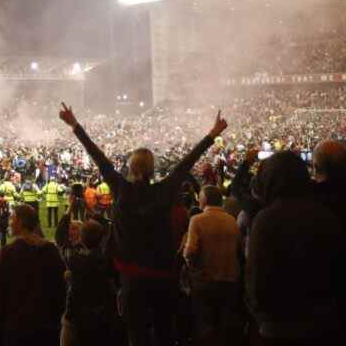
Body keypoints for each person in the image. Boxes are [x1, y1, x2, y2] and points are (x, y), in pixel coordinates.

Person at [60, 103, 227, 346]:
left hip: (131, 278)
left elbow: (98, 157)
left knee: (136, 336)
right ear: (151, 168)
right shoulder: (165, 190)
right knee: (163, 334)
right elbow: (187, 163)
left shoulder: (121, 189)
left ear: (130, 167)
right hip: (163, 275)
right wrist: (213, 134)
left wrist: (75, 124)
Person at [246, 150, 345, 344]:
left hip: (278, 328)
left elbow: (256, 281)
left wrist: (261, 321)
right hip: (325, 325)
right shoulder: (327, 214)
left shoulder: (266, 220)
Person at [0, 204, 66, 346]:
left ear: (20, 222)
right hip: (48, 325)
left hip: (18, 328)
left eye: (12, 218)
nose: (9, 222)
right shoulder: (50, 249)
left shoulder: (7, 252)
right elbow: (60, 288)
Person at [183, 185, 241, 346]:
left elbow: (190, 252)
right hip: (229, 280)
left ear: (204, 199)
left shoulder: (197, 220)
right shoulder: (231, 220)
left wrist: (190, 265)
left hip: (205, 281)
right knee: (224, 325)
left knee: (205, 326)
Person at [55, 195, 112, 346]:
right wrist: (90, 210)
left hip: (75, 315)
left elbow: (60, 238)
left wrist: (70, 208)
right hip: (101, 313)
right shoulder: (106, 258)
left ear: (81, 237)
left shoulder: (75, 259)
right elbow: (108, 228)